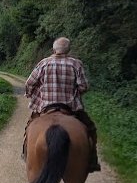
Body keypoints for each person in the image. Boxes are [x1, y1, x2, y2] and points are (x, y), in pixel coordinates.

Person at [22, 37, 101, 173]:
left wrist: (31, 94)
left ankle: (26, 153)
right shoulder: (76, 64)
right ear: (68, 50)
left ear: (54, 49)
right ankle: (92, 159)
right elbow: (84, 86)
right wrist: (75, 91)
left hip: (45, 107)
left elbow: (29, 83)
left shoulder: (43, 63)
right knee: (90, 128)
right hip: (70, 108)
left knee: (29, 128)